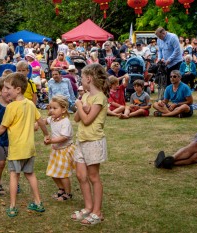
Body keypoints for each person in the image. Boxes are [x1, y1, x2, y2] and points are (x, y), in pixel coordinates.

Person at [0, 72, 49, 217]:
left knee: (14, 175)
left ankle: (13, 206)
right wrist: (47, 135)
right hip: (29, 148)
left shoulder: (12, 107)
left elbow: (2, 127)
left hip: (16, 149)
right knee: (30, 174)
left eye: (8, 87)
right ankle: (38, 202)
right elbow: (40, 122)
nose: (6, 90)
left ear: (18, 89)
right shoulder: (30, 104)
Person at [71, 63, 109, 225]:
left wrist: (80, 106)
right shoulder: (85, 96)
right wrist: (82, 106)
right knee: (80, 175)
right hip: (81, 140)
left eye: (82, 78)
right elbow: (77, 118)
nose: (80, 81)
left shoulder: (100, 98)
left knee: (93, 177)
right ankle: (88, 207)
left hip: (93, 141)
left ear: (89, 78)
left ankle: (97, 212)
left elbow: (87, 120)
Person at [44, 95, 75, 201]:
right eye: (50, 108)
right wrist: (35, 124)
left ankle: (68, 193)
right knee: (53, 172)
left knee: (63, 174)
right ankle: (61, 189)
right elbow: (43, 121)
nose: (51, 110)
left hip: (64, 151)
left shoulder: (65, 122)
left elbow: (64, 137)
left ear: (63, 109)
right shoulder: (53, 119)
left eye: (54, 108)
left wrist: (51, 141)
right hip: (56, 151)